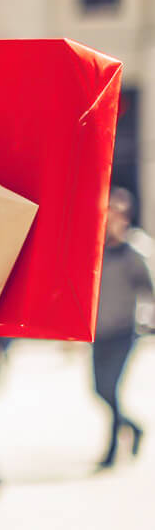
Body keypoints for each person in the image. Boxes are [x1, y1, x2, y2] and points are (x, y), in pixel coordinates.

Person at [92, 187, 153, 470]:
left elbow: (149, 290)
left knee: (110, 388)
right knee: (98, 390)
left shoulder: (133, 253)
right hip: (98, 333)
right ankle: (134, 428)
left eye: (115, 213)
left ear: (125, 218)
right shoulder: (95, 250)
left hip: (122, 333)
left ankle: (111, 449)